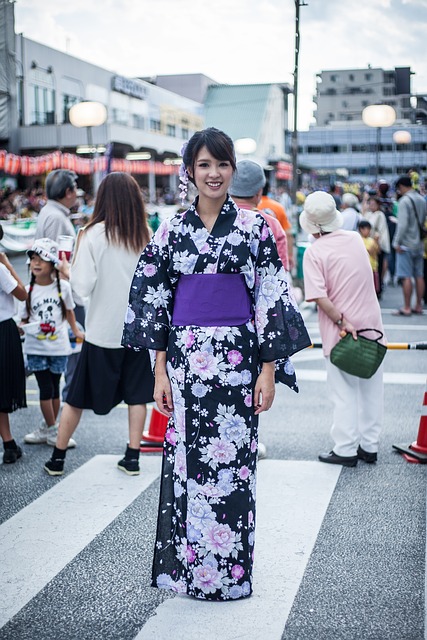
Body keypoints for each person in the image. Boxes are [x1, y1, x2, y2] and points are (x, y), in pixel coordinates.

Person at [122, 127, 311, 601]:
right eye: (204, 164)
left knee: (234, 470)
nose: (213, 173)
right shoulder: (171, 230)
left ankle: (230, 574)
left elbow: (270, 296)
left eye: (222, 164)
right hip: (186, 365)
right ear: (190, 171)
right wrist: (159, 370)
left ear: (233, 170)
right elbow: (156, 300)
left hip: (237, 364)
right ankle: (191, 572)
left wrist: (268, 370)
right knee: (187, 465)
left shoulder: (255, 228)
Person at [44, 173, 155, 477]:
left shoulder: (91, 234)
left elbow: (81, 287)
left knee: (77, 396)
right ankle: (132, 456)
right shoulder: (144, 232)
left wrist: (66, 270)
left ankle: (58, 458)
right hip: (136, 331)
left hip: (102, 331)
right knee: (137, 395)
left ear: (103, 198)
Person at [300, 191, 384, 467]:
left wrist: (341, 321)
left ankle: (346, 448)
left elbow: (319, 297)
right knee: (371, 387)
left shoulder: (314, 253)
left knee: (344, 391)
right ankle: (369, 446)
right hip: (372, 325)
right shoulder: (354, 239)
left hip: (342, 332)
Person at [19, 238, 84, 448]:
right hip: (35, 347)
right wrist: (23, 326)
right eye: (34, 259)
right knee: (45, 388)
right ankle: (53, 428)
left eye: (42, 260)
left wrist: (76, 331)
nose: (36, 263)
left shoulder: (63, 287)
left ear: (52, 264)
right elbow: (23, 319)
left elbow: (69, 311)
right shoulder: (28, 290)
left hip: (58, 347)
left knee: (55, 388)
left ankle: (49, 428)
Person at [35, 169, 85, 404]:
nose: (77, 194)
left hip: (60, 292)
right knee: (71, 351)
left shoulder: (51, 212)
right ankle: (68, 402)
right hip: (64, 294)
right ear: (68, 192)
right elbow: (54, 260)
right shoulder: (56, 217)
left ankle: (65, 400)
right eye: (75, 188)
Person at [0, 225, 27, 464]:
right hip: (3, 329)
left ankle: (9, 443)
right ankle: (8, 443)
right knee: (3, 389)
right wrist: (7, 264)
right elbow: (22, 294)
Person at [392, 176, 427, 316]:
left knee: (406, 276)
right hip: (419, 243)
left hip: (406, 244)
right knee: (419, 275)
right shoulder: (421, 199)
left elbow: (402, 224)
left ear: (401, 186)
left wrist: (396, 242)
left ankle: (407, 307)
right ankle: (418, 305)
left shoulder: (404, 201)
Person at [258, 180, 294, 270]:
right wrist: (289, 255)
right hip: (276, 259)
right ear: (268, 189)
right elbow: (288, 234)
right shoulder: (278, 207)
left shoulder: (247, 208)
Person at [362, 196, 390, 296]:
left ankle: (377, 289)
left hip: (376, 245)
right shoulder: (368, 214)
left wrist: (375, 243)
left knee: (377, 268)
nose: (371, 206)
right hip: (367, 244)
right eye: (370, 204)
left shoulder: (380, 215)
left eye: (374, 204)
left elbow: (380, 231)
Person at [358, 219, 380, 295]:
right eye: (366, 229)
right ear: (361, 229)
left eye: (369, 229)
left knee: (374, 289)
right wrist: (375, 241)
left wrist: (376, 242)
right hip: (365, 268)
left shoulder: (371, 240)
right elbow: (369, 251)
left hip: (373, 267)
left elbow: (377, 251)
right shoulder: (359, 240)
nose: (368, 231)